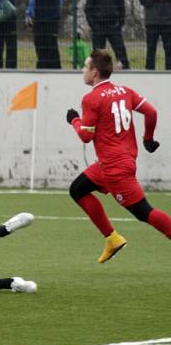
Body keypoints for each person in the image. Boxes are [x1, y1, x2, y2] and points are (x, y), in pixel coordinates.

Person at [66, 50, 171, 263]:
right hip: (116, 163)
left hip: (115, 169)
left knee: (143, 211)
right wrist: (147, 139)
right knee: (77, 190)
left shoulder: (91, 98)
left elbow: (86, 136)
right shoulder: (125, 91)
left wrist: (74, 121)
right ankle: (112, 238)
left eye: (86, 67)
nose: (83, 71)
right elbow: (151, 113)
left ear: (95, 72)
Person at [85, 0, 129, 70]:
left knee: (120, 49)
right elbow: (88, 9)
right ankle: (99, 70)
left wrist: (120, 23)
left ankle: (125, 67)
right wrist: (93, 24)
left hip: (114, 26)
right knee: (98, 52)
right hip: (98, 26)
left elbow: (122, 8)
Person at [26, 0, 63, 69]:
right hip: (38, 17)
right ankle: (42, 66)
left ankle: (55, 68)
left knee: (51, 43)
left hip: (51, 16)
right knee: (39, 43)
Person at [138, 0, 171, 70]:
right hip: (152, 22)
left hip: (168, 22)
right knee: (151, 49)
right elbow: (143, 0)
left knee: (169, 49)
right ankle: (149, 71)